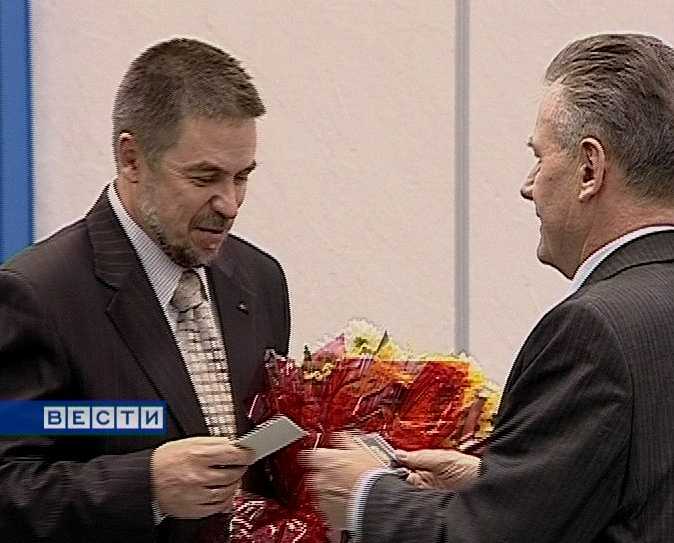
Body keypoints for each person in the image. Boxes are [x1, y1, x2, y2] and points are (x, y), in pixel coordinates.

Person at [305, 33, 674, 542]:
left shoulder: (593, 332)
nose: (528, 186)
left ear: (590, 169)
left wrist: (365, 496)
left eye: (540, 157)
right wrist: (495, 482)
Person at [0, 38, 290, 543]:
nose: (229, 203)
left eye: (242, 177)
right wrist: (146, 487)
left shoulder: (260, 279)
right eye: (204, 178)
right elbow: (11, 489)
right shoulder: (38, 296)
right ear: (131, 159)